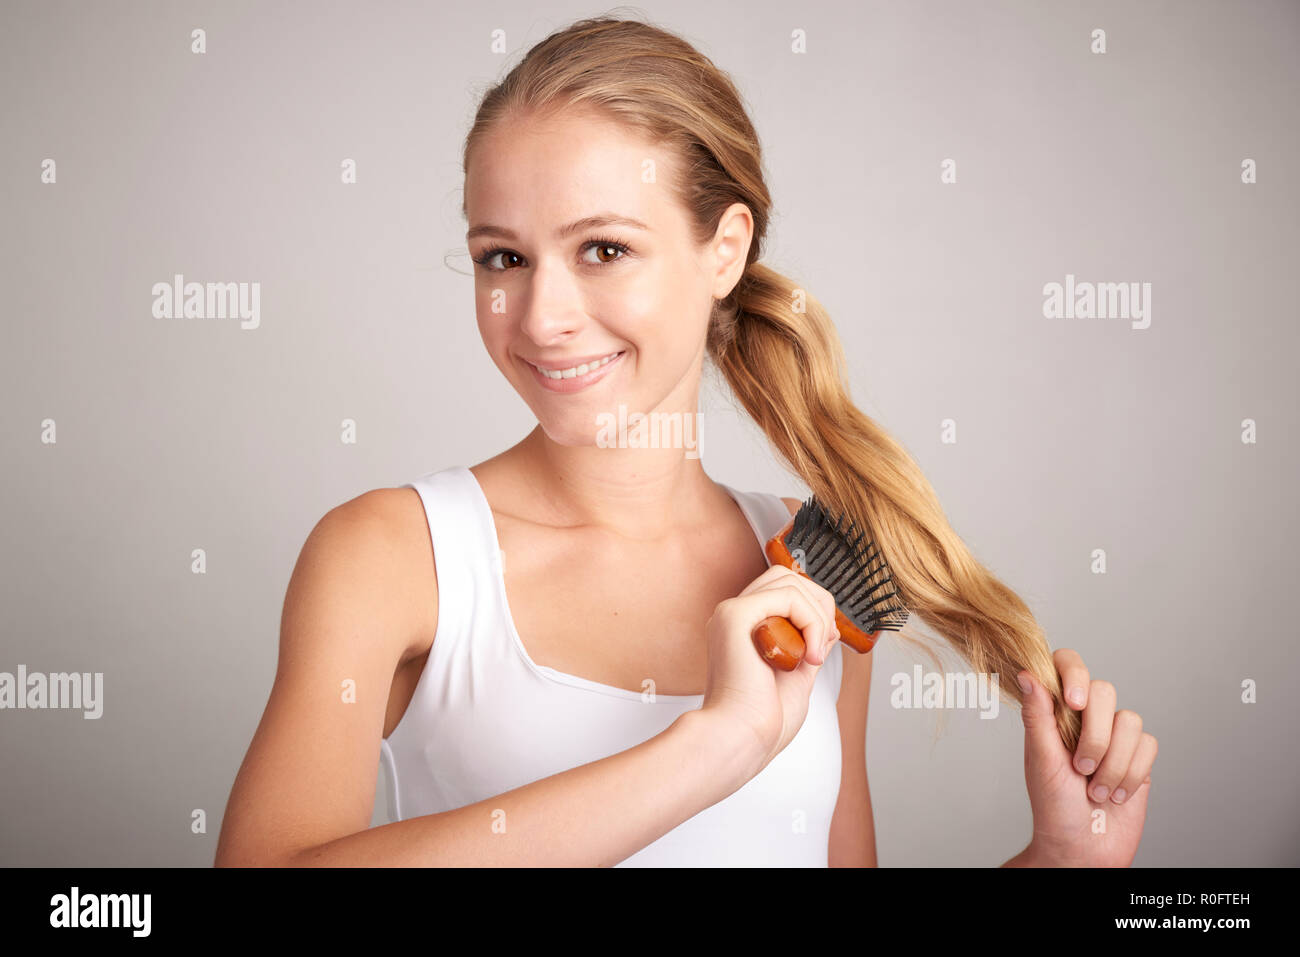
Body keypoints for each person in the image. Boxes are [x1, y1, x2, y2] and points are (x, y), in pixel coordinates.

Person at [214, 15, 1156, 867]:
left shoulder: (811, 578)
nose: (542, 318)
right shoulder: (393, 556)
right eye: (503, 257)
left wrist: (1064, 866)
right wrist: (715, 746)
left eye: (604, 249)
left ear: (725, 249)